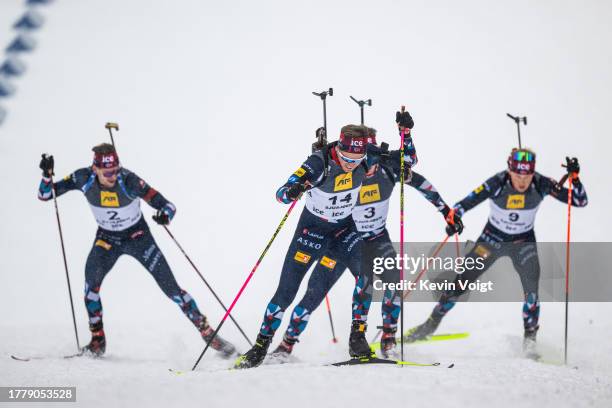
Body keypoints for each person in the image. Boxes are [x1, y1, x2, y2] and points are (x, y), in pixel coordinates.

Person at [270, 127, 463, 359]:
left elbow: (422, 183)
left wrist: (447, 212)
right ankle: (286, 344)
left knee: (393, 282)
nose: (366, 162)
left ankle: (388, 338)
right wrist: (315, 159)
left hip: (377, 238)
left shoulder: (388, 170)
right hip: (345, 239)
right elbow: (319, 178)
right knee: (315, 291)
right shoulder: (347, 172)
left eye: (370, 155)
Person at [234, 123, 417, 369]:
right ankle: (260, 346)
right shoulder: (318, 162)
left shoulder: (368, 154)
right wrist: (294, 189)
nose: (351, 164)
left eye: (357, 159)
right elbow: (281, 194)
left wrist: (405, 133)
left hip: (344, 231)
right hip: (312, 233)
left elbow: (408, 160)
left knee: (367, 275)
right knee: (286, 292)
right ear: (338, 149)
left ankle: (357, 338)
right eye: (345, 158)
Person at [37, 144, 236, 358]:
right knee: (90, 290)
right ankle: (97, 342)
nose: (113, 176)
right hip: (107, 240)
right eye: (107, 172)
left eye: (115, 170)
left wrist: (164, 215)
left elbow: (168, 205)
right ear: (95, 169)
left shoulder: (129, 181)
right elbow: (45, 194)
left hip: (138, 238)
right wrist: (46, 175)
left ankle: (208, 335)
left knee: (172, 290)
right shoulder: (83, 178)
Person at [405, 148, 588, 357]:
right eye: (517, 174)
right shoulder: (498, 182)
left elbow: (580, 200)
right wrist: (453, 219)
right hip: (492, 240)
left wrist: (575, 179)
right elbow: (463, 204)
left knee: (532, 293)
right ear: (510, 170)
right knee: (460, 283)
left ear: (533, 173)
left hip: (523, 243)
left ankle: (530, 342)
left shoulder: (541, 183)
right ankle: (430, 325)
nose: (522, 180)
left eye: (526, 175)